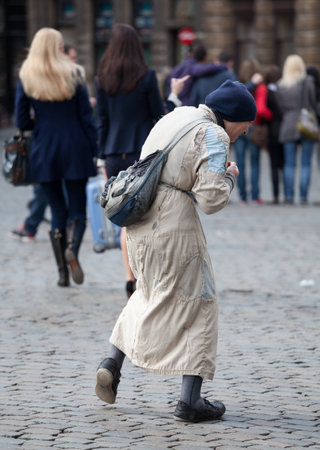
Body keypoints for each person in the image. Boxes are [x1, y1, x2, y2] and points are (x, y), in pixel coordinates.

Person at [95, 80, 257, 422]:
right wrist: (229, 177)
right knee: (201, 302)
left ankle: (111, 363)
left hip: (139, 224)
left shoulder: (176, 115)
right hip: (172, 227)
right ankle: (190, 401)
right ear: (232, 118)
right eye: (244, 126)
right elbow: (211, 200)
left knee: (147, 292)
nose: (244, 133)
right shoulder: (215, 135)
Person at [95, 23, 184, 298]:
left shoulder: (102, 79)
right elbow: (160, 115)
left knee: (125, 218)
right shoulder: (146, 77)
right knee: (145, 217)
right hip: (141, 154)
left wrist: (100, 156)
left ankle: (128, 277)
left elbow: (103, 122)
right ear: (137, 46)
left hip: (112, 154)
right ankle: (146, 275)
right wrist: (174, 95)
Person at [15, 27, 97, 287]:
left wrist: (40, 120)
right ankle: (73, 248)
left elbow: (21, 120)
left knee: (56, 209)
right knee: (77, 208)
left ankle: (62, 273)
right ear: (59, 47)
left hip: (44, 148)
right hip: (75, 145)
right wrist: (95, 149)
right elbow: (86, 116)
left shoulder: (26, 76)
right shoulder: (74, 73)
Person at [276, 54, 317, 204]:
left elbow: (280, 108)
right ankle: (304, 196)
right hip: (307, 124)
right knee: (306, 163)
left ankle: (288, 196)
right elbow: (312, 104)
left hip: (288, 123)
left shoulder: (281, 85)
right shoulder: (308, 81)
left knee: (289, 163)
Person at [234, 58, 269, 204]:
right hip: (254, 126)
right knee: (255, 163)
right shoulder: (257, 87)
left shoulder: (236, 84)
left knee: (240, 163)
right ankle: (255, 196)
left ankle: (243, 197)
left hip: (238, 126)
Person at [168, 41, 227, 106]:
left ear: (191, 55)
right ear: (204, 58)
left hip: (173, 102)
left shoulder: (178, 67)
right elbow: (207, 69)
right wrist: (223, 66)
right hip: (184, 106)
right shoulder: (193, 67)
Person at [265, 65, 284, 204]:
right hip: (285, 129)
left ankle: (276, 195)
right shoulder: (284, 90)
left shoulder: (266, 92)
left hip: (271, 130)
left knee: (273, 165)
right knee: (286, 164)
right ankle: (288, 194)